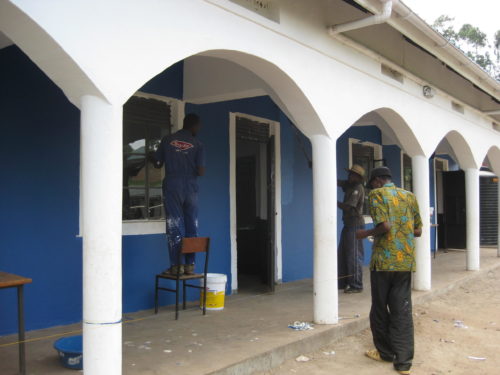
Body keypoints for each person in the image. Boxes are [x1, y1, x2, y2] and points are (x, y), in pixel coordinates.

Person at [356, 166, 422, 375]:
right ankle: (403, 363)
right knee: (402, 309)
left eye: (372, 183)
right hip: (405, 262)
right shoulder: (409, 195)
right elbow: (418, 230)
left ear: (377, 181)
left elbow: (384, 226)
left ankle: (385, 353)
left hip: (383, 262)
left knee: (379, 308)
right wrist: (402, 230)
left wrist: (363, 233)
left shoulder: (376, 195)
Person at [154, 113, 205, 275]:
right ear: (195, 126)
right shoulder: (198, 144)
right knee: (192, 225)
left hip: (173, 184)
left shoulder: (167, 140)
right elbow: (201, 171)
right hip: (190, 186)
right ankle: (190, 265)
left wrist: (151, 157)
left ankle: (177, 266)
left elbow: (157, 163)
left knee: (175, 224)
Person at [337, 164, 366, 293]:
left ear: (358, 177)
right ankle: (345, 282)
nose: (349, 176)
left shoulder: (358, 188)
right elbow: (334, 181)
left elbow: (349, 207)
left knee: (353, 255)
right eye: (349, 174)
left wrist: (334, 202)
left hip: (355, 225)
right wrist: (316, 167)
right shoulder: (349, 185)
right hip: (348, 224)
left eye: (352, 174)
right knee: (343, 254)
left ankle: (356, 285)